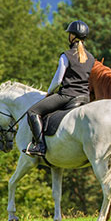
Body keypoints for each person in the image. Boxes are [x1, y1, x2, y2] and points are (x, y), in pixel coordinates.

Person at [25, 21, 95, 157]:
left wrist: (49, 93)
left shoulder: (66, 55)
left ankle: (40, 145)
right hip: (85, 97)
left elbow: (57, 80)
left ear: (72, 37)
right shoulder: (91, 58)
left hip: (67, 95)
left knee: (32, 112)